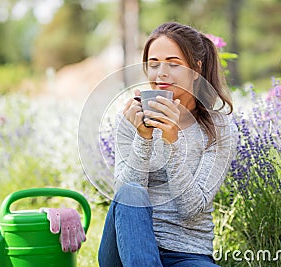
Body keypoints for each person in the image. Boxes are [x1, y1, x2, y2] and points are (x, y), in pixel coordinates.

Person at [98, 21, 238, 267]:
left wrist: (172, 142)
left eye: (173, 64)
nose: (160, 73)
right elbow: (126, 198)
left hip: (187, 254)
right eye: (153, 64)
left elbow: (191, 209)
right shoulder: (131, 118)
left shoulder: (220, 129)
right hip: (125, 248)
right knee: (131, 192)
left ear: (196, 69)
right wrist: (144, 136)